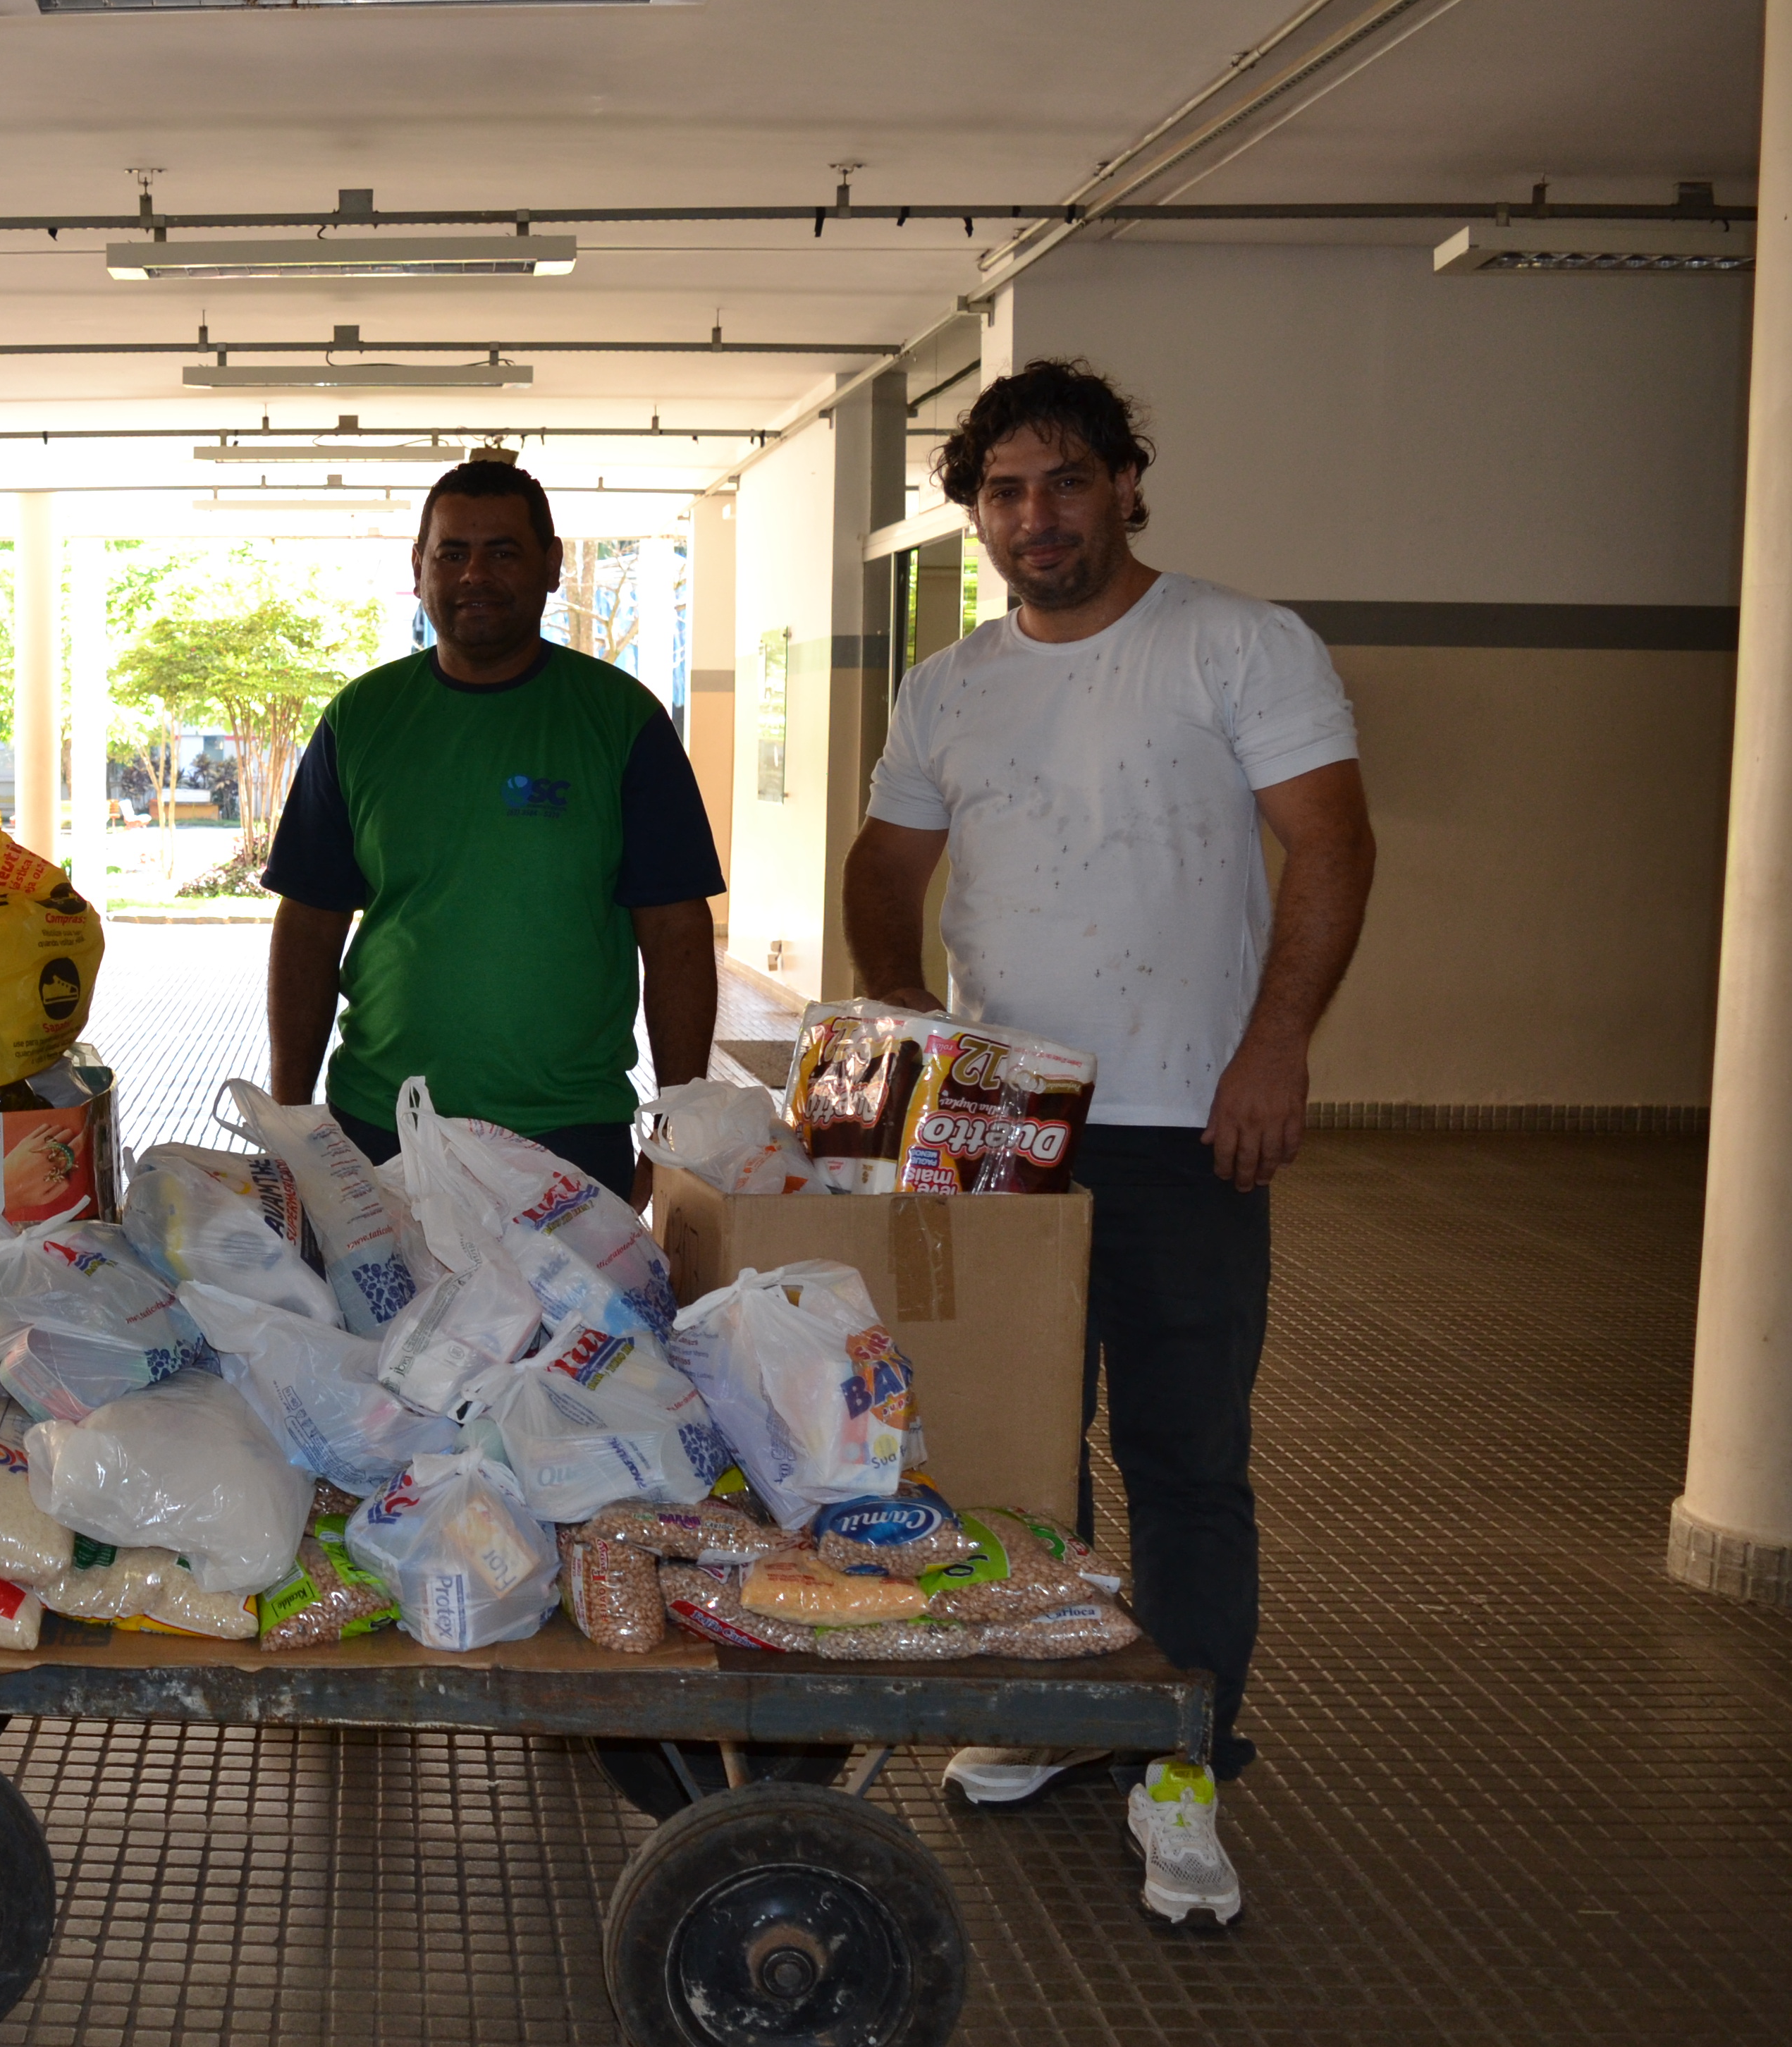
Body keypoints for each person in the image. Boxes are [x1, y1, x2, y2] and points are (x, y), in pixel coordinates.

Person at [840, 359, 1376, 1926]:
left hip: (1185, 1123)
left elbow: (1333, 845)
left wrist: (1273, 1047)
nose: (1037, 515)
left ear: (1127, 485)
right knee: (1011, 1449)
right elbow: (889, 860)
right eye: (1005, 492)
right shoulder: (949, 684)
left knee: (1185, 1457)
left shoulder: (1236, 644)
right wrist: (902, 1013)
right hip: (1005, 1129)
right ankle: (1054, 1712)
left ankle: (1185, 1763)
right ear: (976, 518)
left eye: (1067, 481)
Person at [263, 459, 724, 1200]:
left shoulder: (622, 720)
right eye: (452, 553)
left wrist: (679, 1122)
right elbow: (310, 922)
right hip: (382, 1125)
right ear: (419, 569)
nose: (475, 573)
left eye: (503, 552)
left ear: (550, 566)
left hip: (568, 1133)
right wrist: (289, 1118)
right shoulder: (361, 719)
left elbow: (675, 934)